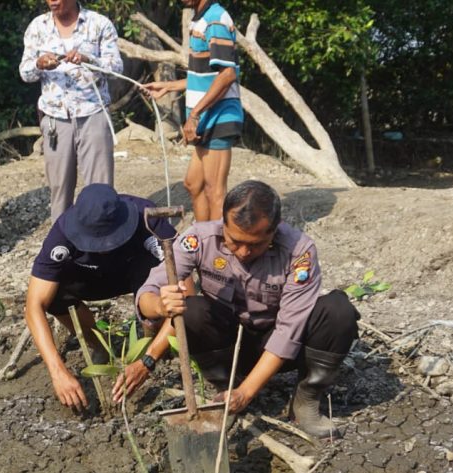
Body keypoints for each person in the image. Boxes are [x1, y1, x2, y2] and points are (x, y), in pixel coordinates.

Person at [116, 180, 359, 438]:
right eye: (235, 241)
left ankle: (306, 399)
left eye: (255, 244)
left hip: (279, 345)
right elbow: (149, 290)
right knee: (193, 309)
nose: (243, 252)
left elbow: (288, 330)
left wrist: (247, 393)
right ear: (224, 224)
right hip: (227, 346)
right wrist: (158, 305)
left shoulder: (299, 252)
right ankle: (226, 389)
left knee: (337, 311)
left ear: (274, 232)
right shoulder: (199, 238)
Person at [26, 183, 176, 411]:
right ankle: (99, 345)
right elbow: (33, 305)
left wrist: (148, 361)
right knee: (54, 295)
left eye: (110, 239)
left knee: (162, 295)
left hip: (138, 274)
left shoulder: (147, 218)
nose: (104, 247)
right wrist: (58, 372)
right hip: (91, 277)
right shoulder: (62, 232)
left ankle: (156, 344)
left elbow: (183, 292)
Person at [20, 0, 123, 221]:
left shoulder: (99, 24)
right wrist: (39, 64)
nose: (52, 1)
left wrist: (88, 59)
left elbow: (116, 68)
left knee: (100, 188)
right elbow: (25, 73)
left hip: (93, 114)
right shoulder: (37, 26)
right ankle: (62, 247)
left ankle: (104, 242)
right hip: (56, 119)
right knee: (59, 188)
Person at [142, 0, 243, 222]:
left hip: (219, 116)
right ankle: (202, 240)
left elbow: (227, 75)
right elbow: (203, 77)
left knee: (215, 191)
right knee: (193, 184)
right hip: (206, 115)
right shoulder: (199, 19)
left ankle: (217, 252)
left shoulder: (215, 20)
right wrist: (168, 86)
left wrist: (194, 115)